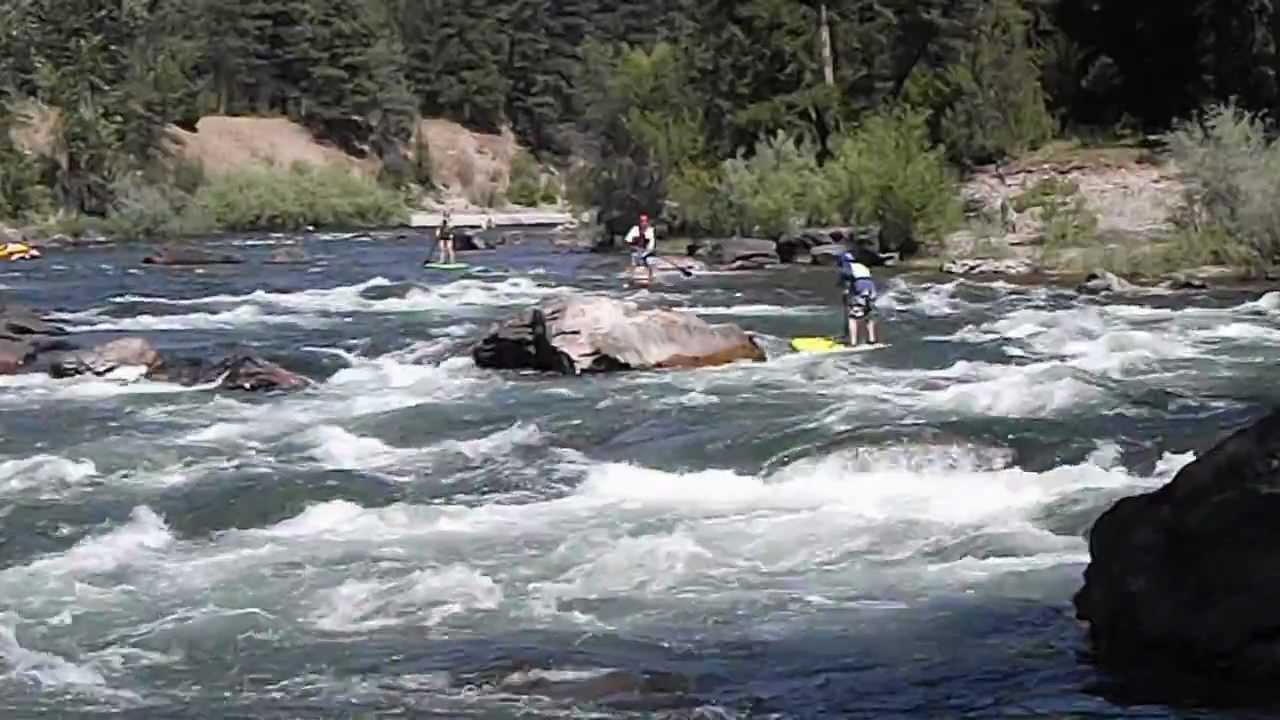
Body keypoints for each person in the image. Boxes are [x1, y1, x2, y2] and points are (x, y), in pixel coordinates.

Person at [836, 251, 879, 346]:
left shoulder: (846, 267)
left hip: (860, 287)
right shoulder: (861, 266)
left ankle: (853, 343)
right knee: (868, 313)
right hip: (871, 287)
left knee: (852, 316)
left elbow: (846, 281)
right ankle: (872, 340)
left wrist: (846, 291)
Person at [623, 212, 657, 284]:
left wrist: (645, 253)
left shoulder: (650, 230)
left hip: (647, 252)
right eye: (641, 221)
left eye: (645, 221)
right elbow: (627, 240)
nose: (643, 223)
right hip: (636, 251)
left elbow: (651, 245)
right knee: (633, 262)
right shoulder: (634, 229)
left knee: (650, 262)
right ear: (639, 222)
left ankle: (651, 277)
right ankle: (631, 278)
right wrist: (634, 247)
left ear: (647, 222)